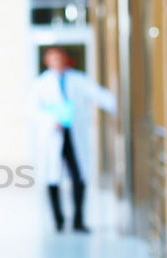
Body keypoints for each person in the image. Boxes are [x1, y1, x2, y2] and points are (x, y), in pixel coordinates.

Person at [30, 47, 116, 233]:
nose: (57, 61)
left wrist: (119, 105)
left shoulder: (78, 79)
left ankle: (78, 219)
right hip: (53, 135)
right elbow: (32, 111)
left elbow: (99, 95)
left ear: (65, 59)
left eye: (60, 57)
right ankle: (58, 220)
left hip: (74, 135)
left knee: (79, 176)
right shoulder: (40, 84)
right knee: (52, 177)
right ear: (47, 61)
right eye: (53, 58)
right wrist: (52, 121)